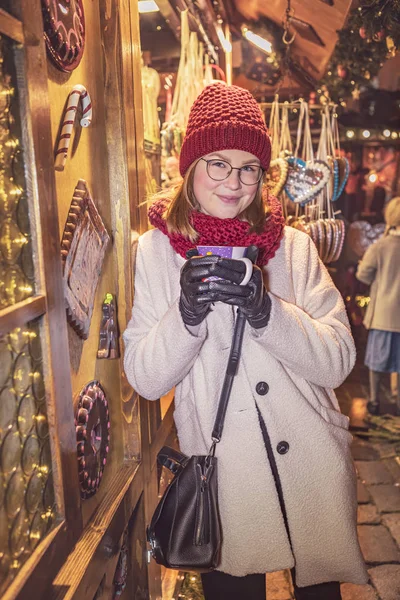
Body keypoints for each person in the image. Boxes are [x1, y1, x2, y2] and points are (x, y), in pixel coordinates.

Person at [123, 83, 368, 600]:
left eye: (249, 167)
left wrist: (267, 311)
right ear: (191, 166)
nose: (234, 182)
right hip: (225, 478)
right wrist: (185, 315)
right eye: (218, 163)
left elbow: (339, 360)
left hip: (309, 462)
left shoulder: (293, 248)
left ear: (264, 173)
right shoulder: (155, 253)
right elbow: (145, 378)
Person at [356, 196, 400, 416]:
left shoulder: (381, 246)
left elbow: (363, 275)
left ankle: (374, 401)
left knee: (376, 360)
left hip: (383, 314)